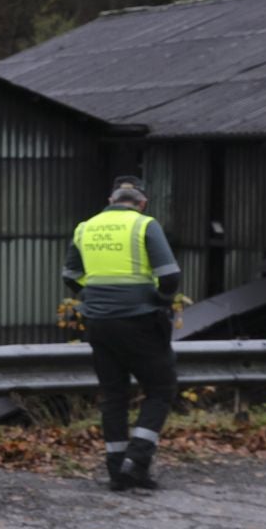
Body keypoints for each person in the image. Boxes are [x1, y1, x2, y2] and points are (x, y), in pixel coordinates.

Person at [63, 176, 181, 492]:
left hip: (99, 324)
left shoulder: (85, 227)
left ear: (111, 199)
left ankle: (118, 472)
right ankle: (137, 460)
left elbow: (70, 275)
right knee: (160, 388)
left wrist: (93, 298)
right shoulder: (145, 225)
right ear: (142, 203)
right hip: (140, 321)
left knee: (114, 395)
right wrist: (160, 300)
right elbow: (169, 276)